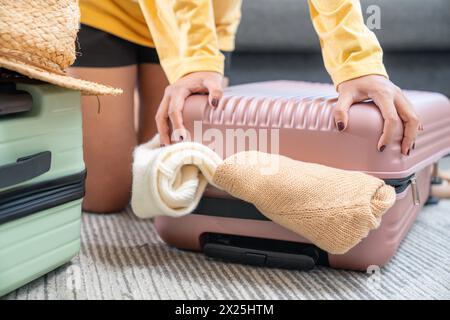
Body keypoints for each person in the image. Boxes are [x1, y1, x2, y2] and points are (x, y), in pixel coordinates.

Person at [71, 0, 421, 214]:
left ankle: (128, 117)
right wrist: (195, 60)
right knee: (104, 197)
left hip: (207, 19)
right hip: (106, 13)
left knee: (169, 188)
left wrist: (358, 63)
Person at [69, 0, 242, 213]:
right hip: (106, 10)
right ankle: (123, 105)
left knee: (163, 185)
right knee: (103, 198)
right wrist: (199, 62)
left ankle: (128, 104)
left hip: (202, 20)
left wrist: (201, 61)